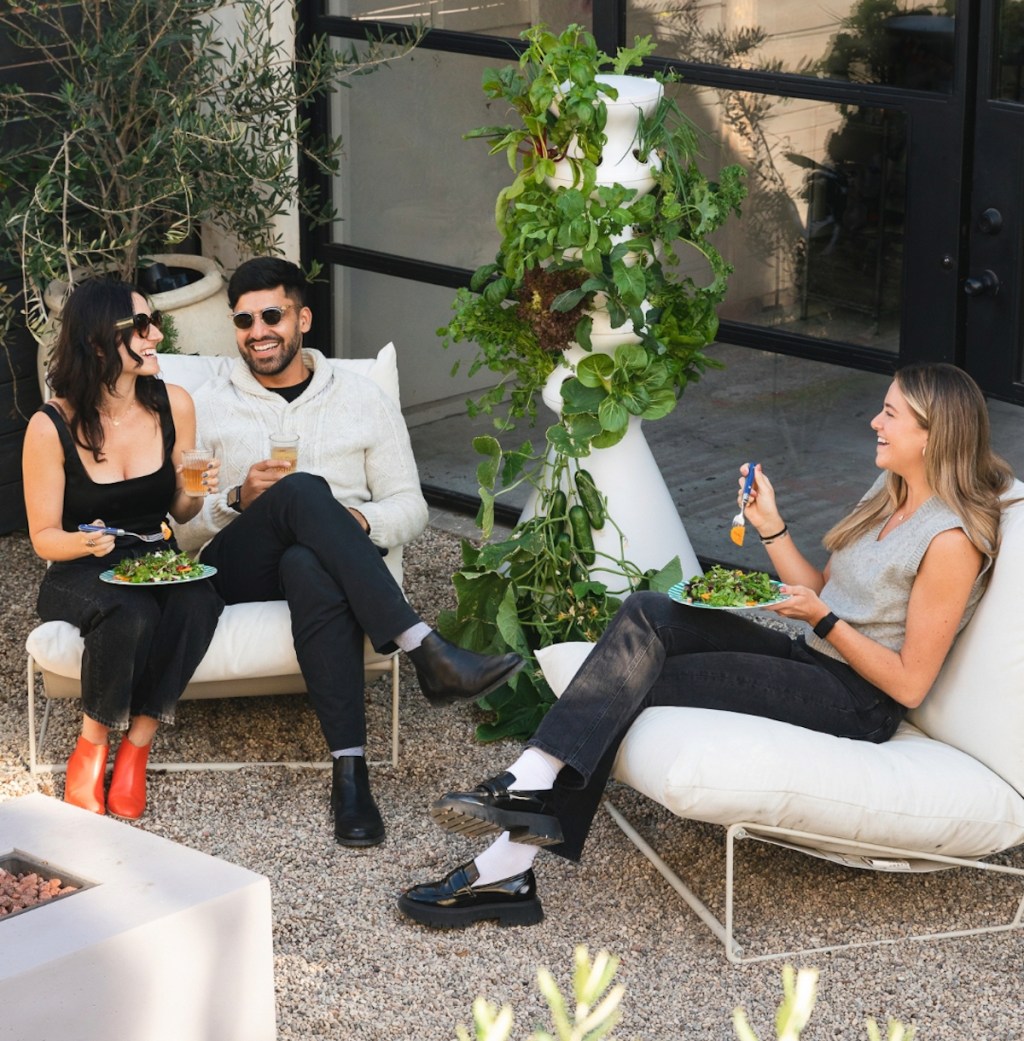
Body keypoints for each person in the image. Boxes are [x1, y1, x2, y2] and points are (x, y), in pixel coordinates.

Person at [398, 362, 1016, 927]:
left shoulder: (950, 540)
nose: (875, 422)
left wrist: (822, 620)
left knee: (634, 681)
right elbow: (827, 590)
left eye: (890, 414)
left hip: (857, 701)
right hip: (816, 658)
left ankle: (508, 858)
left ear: (933, 435)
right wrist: (772, 528)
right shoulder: (892, 494)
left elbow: (908, 683)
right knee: (650, 611)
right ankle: (525, 796)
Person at [172, 256, 523, 847]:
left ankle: (351, 775)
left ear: (303, 318)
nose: (257, 331)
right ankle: (424, 649)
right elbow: (181, 533)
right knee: (301, 489)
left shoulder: (362, 399)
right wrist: (236, 496)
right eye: (243, 319)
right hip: (235, 566)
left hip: (327, 567)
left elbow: (410, 508)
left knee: (309, 560)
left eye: (272, 315)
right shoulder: (206, 405)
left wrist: (352, 521)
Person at [22, 278, 225, 820]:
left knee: (201, 598)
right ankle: (91, 745)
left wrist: (194, 489)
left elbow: (181, 515)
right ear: (95, 342)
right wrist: (89, 541)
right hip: (80, 561)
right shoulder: (51, 425)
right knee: (128, 609)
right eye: (140, 326)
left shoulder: (172, 404)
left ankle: (137, 745)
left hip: (154, 554)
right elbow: (44, 536)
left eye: (153, 321)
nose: (157, 333)